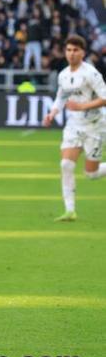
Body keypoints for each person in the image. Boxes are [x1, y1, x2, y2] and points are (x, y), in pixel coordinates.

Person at [42, 35, 106, 222]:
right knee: (66, 165)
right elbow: (61, 97)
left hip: (95, 126)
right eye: (69, 50)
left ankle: (71, 208)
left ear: (83, 53)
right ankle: (70, 211)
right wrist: (52, 113)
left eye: (75, 50)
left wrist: (82, 106)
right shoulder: (63, 75)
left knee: (91, 174)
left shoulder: (91, 73)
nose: (71, 54)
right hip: (74, 126)